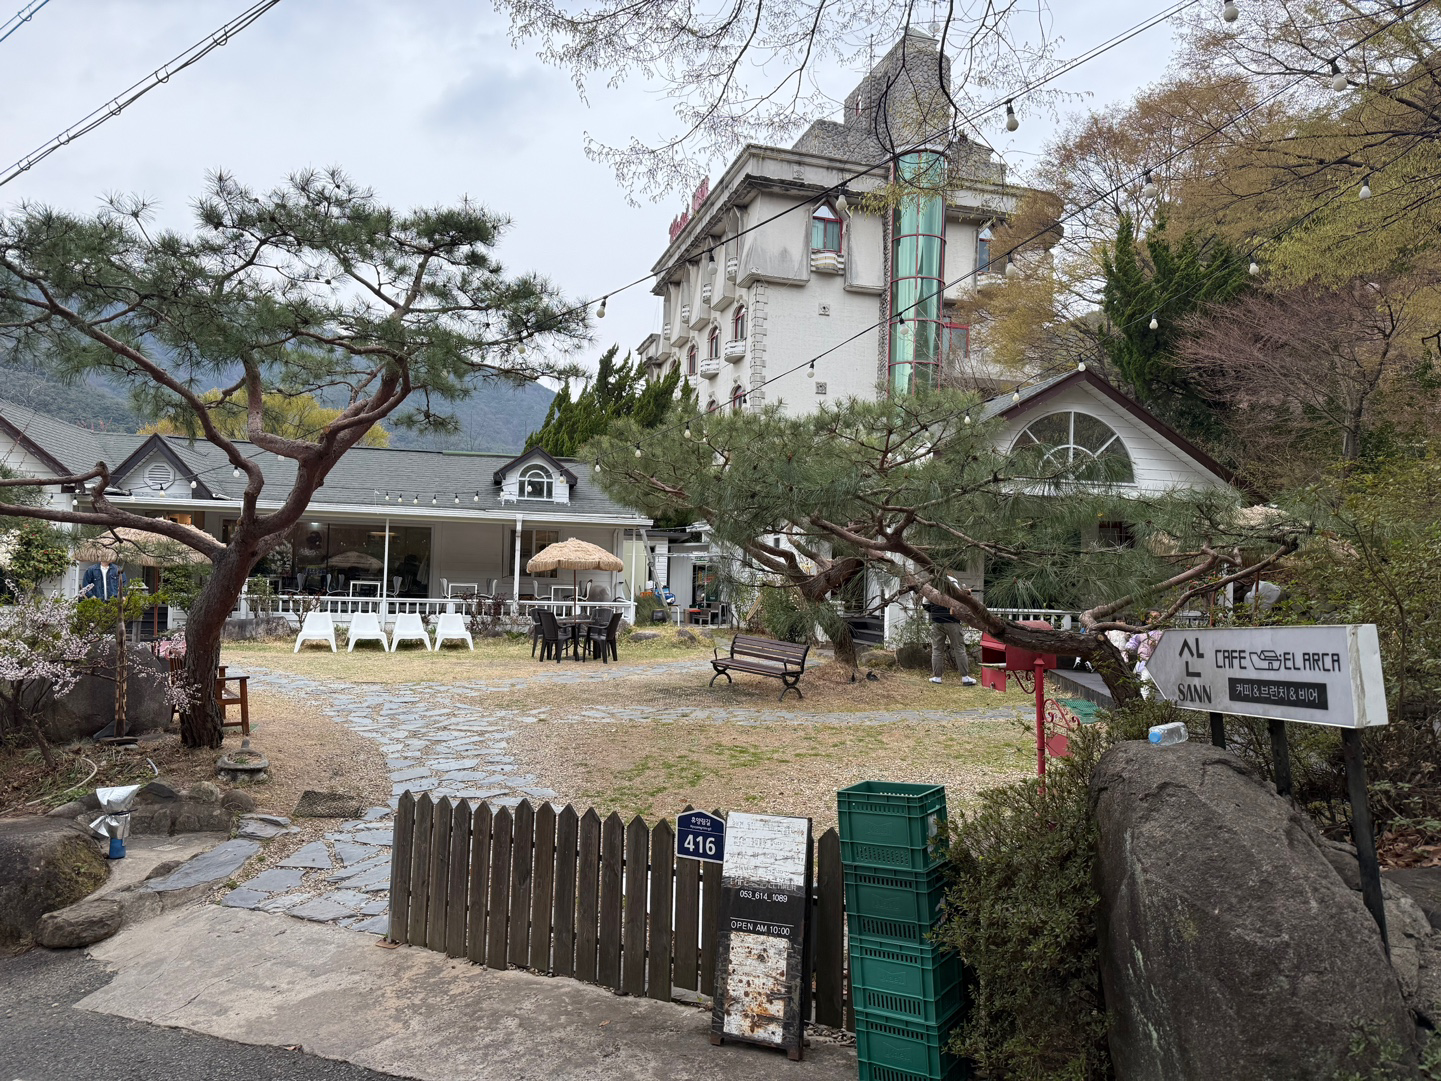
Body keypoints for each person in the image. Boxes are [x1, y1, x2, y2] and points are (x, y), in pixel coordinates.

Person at [926, 587, 977, 686]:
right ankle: (965, 678)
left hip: (936, 621)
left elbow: (925, 604)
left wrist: (935, 613)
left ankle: (937, 677)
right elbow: (961, 599)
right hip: (952, 621)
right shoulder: (952, 583)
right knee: (959, 648)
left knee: (937, 650)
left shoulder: (931, 586)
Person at [1124, 610, 1165, 698]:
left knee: (1147, 685)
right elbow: (1132, 644)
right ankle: (1145, 701)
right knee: (1143, 684)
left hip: (1157, 662)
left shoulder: (1164, 633)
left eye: (1159, 617)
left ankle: (1146, 701)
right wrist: (1129, 647)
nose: (1157, 620)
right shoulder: (1142, 633)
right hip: (1144, 661)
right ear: (1147, 620)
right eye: (1154, 618)